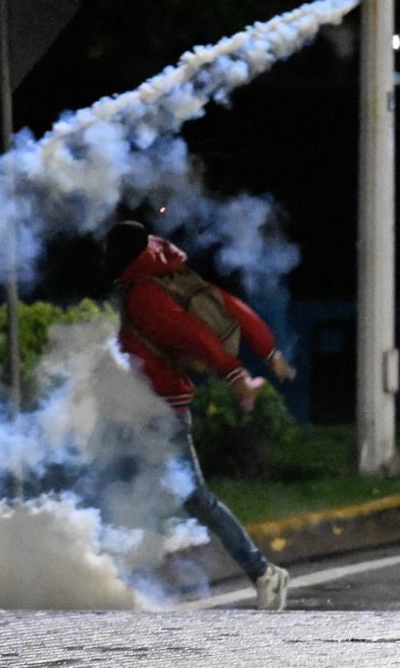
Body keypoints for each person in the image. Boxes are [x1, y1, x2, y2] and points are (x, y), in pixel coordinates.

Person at [105, 220, 296, 610]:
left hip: (160, 411)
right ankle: (114, 578)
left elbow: (193, 333)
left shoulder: (143, 291)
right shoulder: (162, 275)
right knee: (123, 487)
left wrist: (234, 374)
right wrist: (269, 351)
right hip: (142, 408)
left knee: (192, 499)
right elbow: (229, 306)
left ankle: (263, 572)